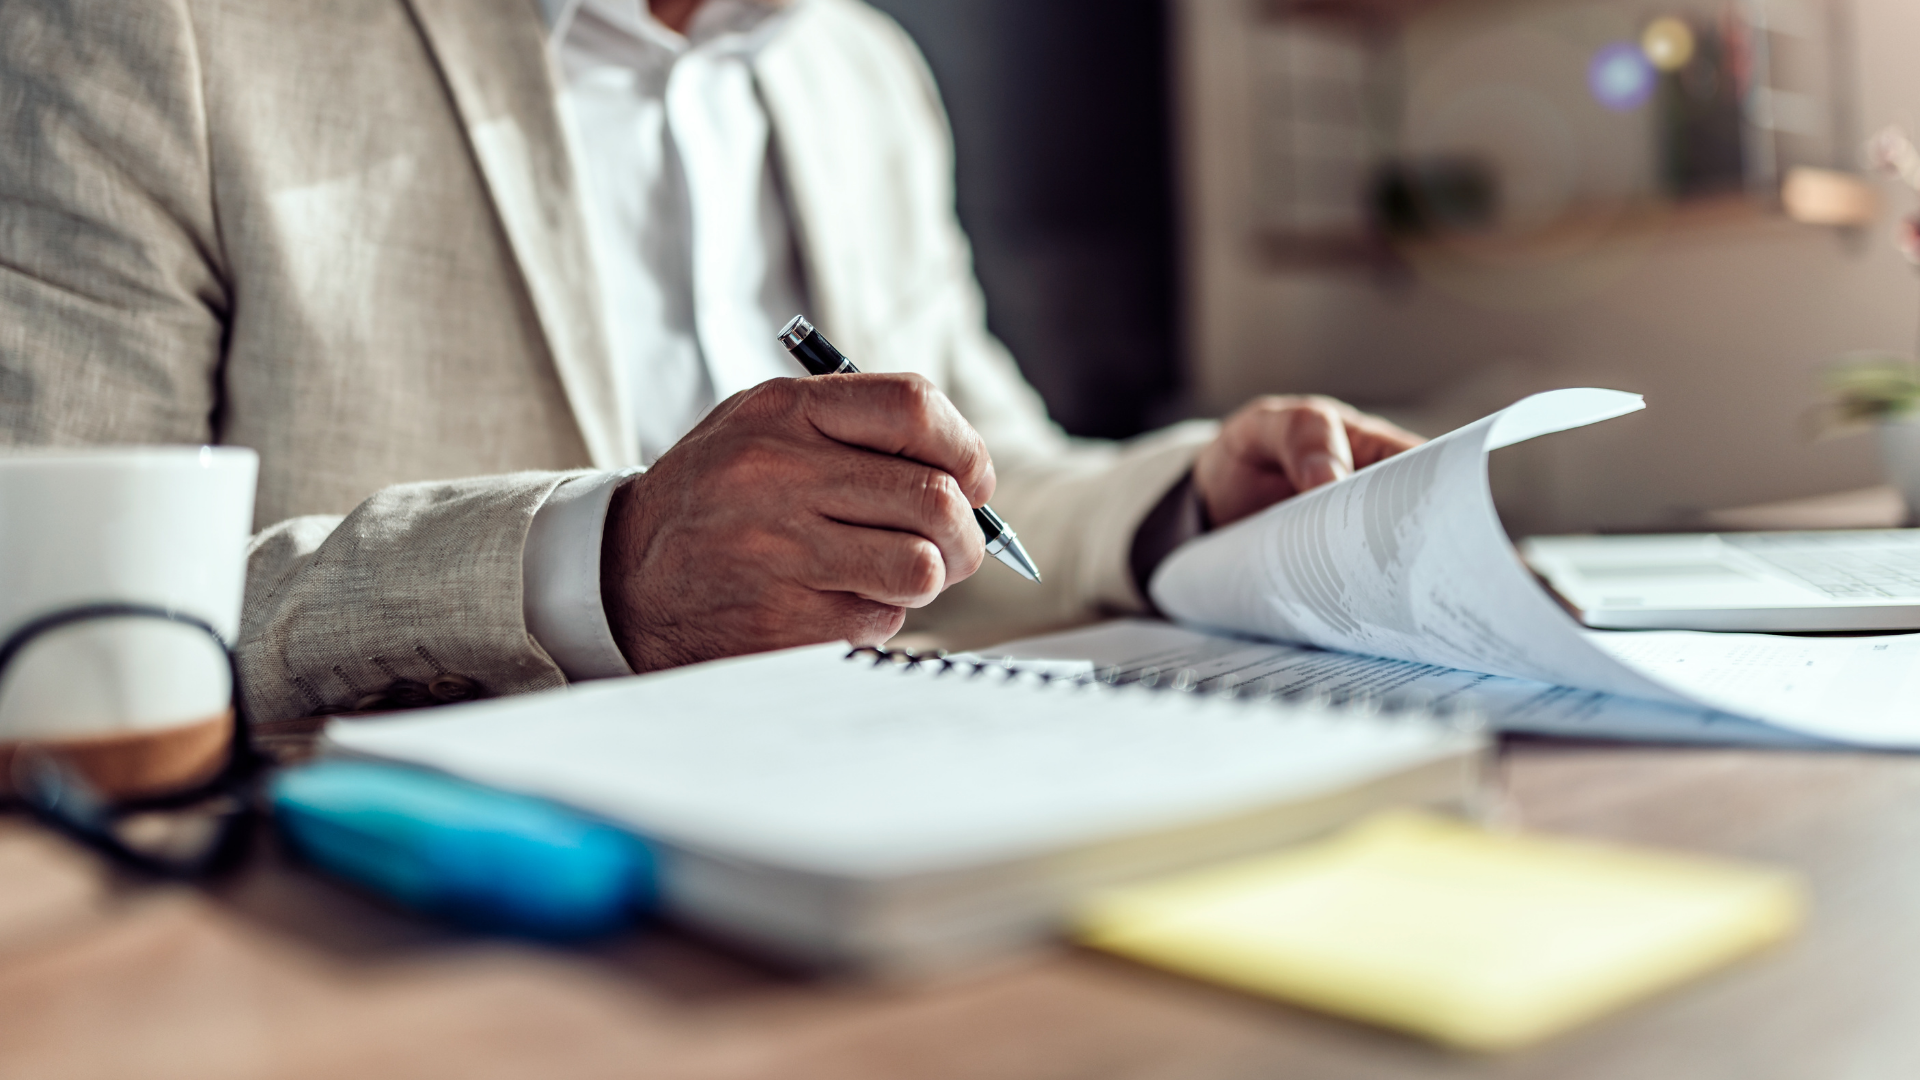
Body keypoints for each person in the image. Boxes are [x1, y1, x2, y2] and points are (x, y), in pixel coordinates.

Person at [0, 0, 1419, 723]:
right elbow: (55, 625)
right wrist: (596, 570)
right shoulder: (161, 37)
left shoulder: (858, 69)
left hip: (848, 842)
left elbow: (980, 481)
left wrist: (1195, 504)